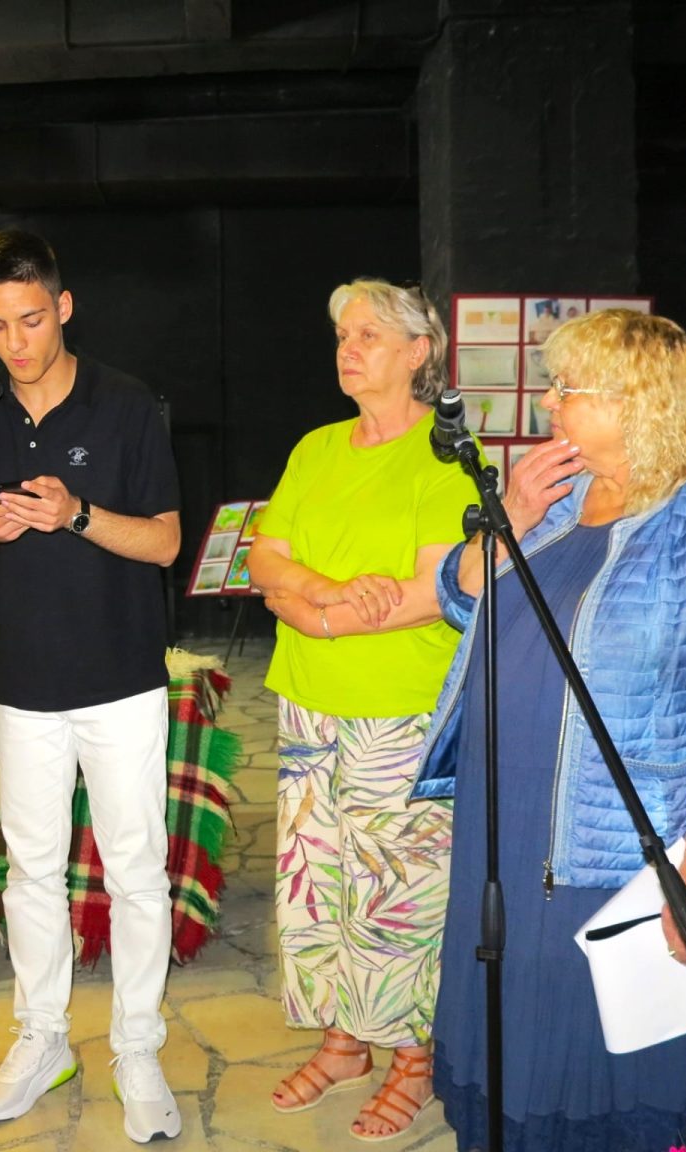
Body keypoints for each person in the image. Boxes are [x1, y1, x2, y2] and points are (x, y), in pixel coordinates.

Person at [412, 308, 686, 1151]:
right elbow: (458, 596)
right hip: (509, 831)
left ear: (638, 400)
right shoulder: (559, 495)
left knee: (618, 1072)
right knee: (516, 1048)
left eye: (568, 389)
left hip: (624, 853)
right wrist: (513, 518)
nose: (548, 403)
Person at [0, 229, 184, 1144]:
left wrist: (76, 515)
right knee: (31, 871)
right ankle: (42, 1039)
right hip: (23, 685)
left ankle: (138, 1048)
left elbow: (165, 543)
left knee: (136, 871)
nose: (16, 342)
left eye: (32, 320)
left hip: (122, 677)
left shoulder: (126, 404)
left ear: (64, 306)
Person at [248, 278, 476, 1142]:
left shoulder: (442, 455)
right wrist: (324, 598)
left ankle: (412, 1056)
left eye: (369, 334)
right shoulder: (315, 448)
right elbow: (265, 562)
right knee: (318, 885)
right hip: (310, 704)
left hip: (399, 711)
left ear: (420, 352)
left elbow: (430, 591)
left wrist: (310, 610)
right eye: (343, 334)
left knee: (397, 890)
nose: (349, 348)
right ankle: (344, 1041)